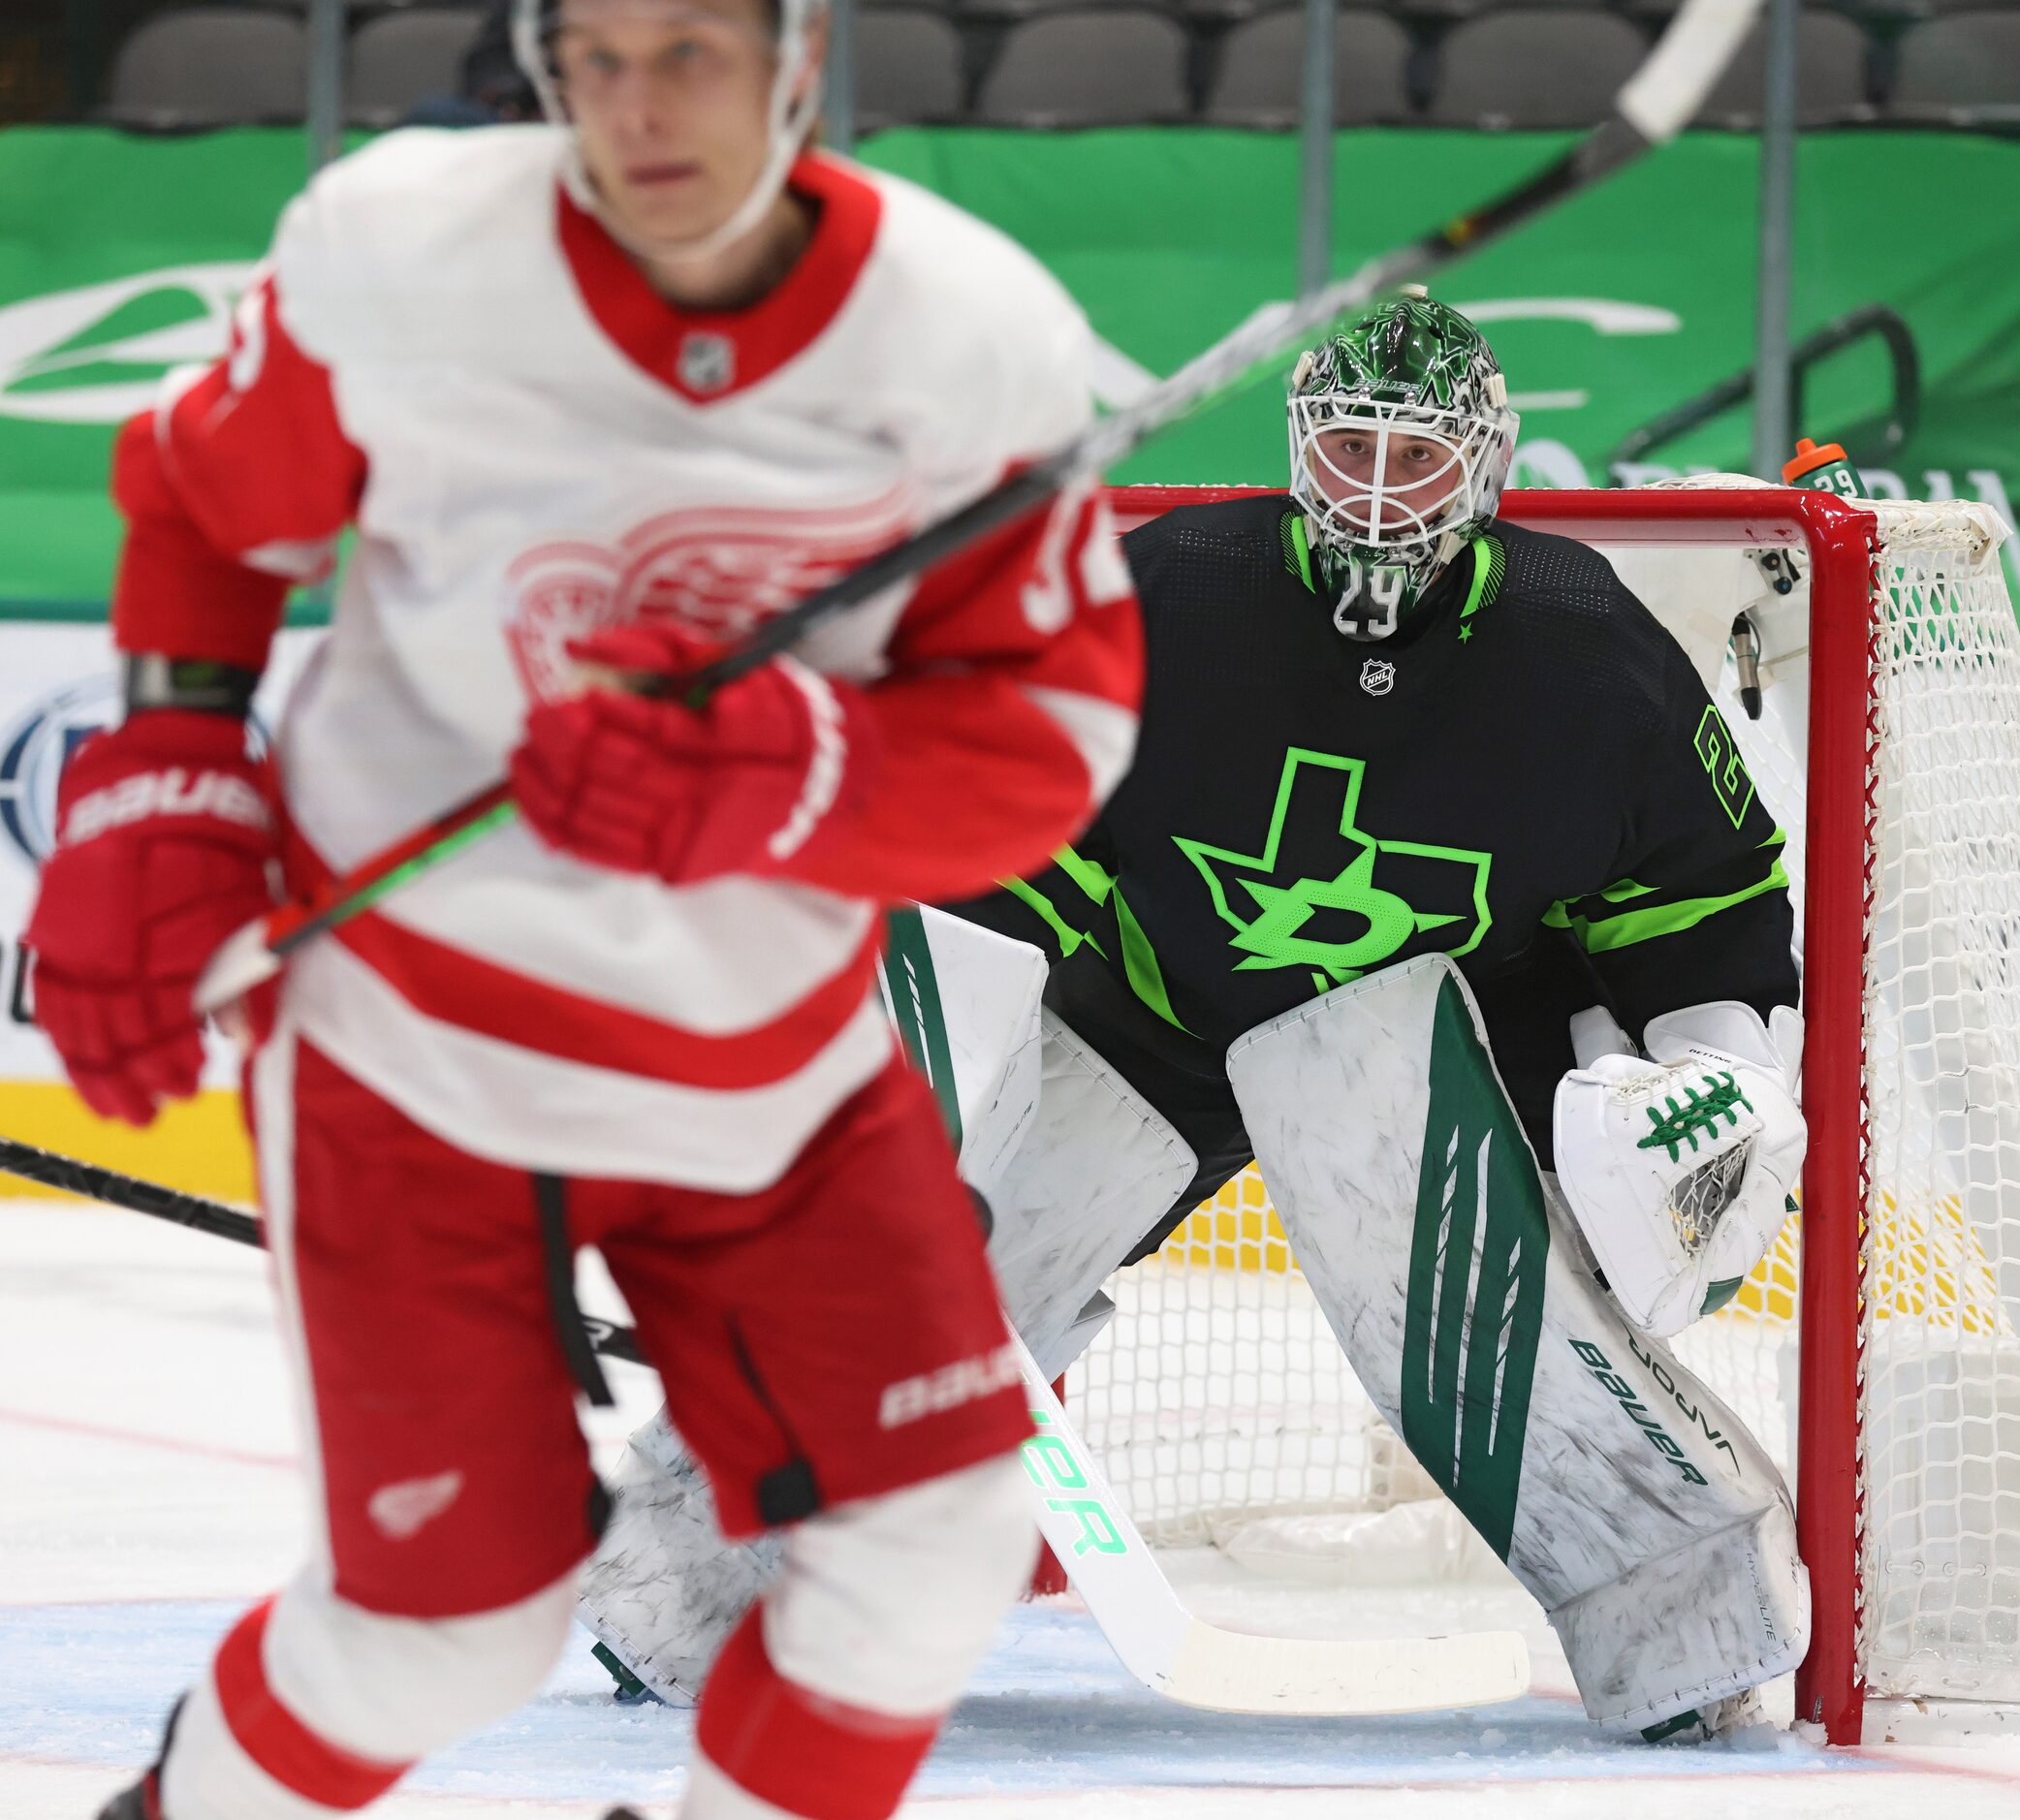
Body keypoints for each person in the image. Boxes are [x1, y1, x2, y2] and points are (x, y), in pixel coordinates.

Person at [27, 0, 1142, 1812]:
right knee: (443, 1629)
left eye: (692, 49)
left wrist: (796, 766)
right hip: (418, 1051)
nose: (639, 106)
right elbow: (213, 516)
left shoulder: (970, 329)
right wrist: (163, 784)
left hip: (772, 1075)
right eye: (594, 57)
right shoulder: (400, 250)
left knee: (934, 1554)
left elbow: (1056, 730)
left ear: (798, 59)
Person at [579, 294, 1813, 1741]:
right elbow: (978, 866)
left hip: (1404, 1042)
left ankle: (1686, 1632)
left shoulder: (1585, 649)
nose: (1371, 488)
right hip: (1143, 1015)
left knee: (1483, 1337)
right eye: (1346, 444)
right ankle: (687, 1592)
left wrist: (1720, 1075)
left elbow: (1696, 903)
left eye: (1412, 458)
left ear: (1485, 468)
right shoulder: (1167, 593)